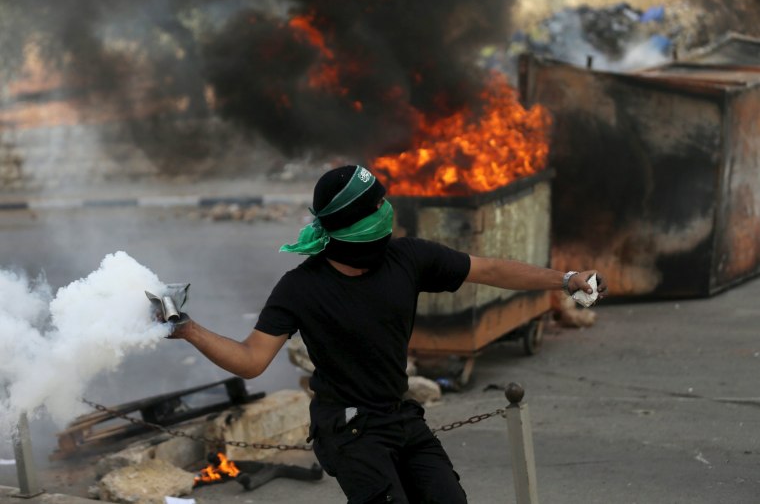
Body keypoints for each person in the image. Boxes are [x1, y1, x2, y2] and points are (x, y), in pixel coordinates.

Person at [167, 165, 607, 503]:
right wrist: (188, 329)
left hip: (400, 416)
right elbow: (251, 359)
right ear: (352, 222)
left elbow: (490, 269)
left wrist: (566, 278)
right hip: (347, 428)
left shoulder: (408, 258)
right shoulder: (301, 287)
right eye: (376, 205)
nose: (387, 210)